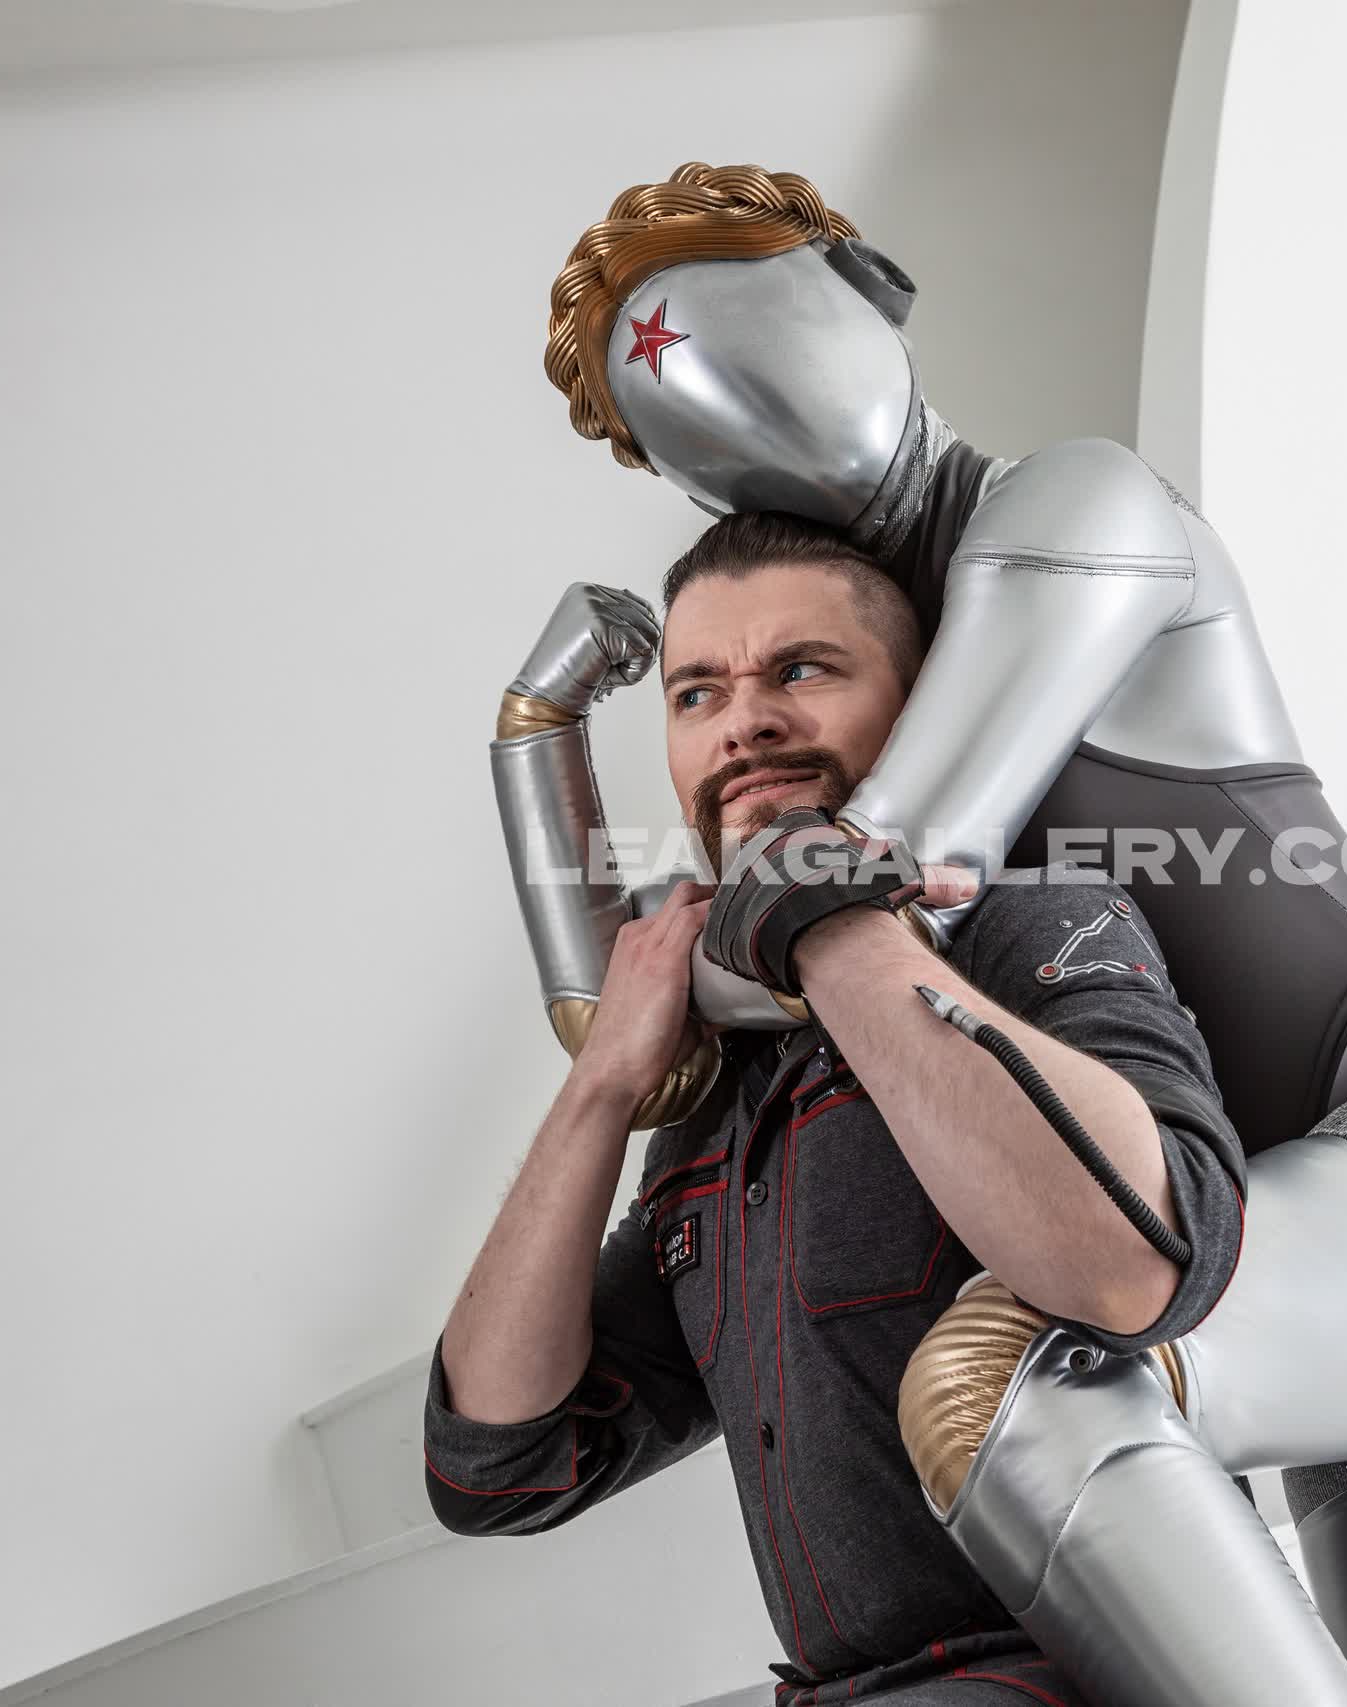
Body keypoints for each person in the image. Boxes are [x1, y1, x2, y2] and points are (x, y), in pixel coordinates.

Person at [494, 163, 1347, 1705]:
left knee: (1030, 1383)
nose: (739, 412)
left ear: (872, 290)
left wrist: (572, 787)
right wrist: (526, 738)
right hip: (1321, 1221)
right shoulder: (882, 679)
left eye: (748, 335)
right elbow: (653, 1024)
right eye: (679, 411)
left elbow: (842, 891)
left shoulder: (1072, 506)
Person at [430, 513, 1249, 1706]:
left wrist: (834, 921)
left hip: (1090, 1679)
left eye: (802, 671)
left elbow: (1140, 1263)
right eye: (697, 694)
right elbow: (498, 1462)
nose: (745, 722)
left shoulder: (1031, 923)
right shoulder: (719, 1096)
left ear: (915, 709)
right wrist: (602, 1083)